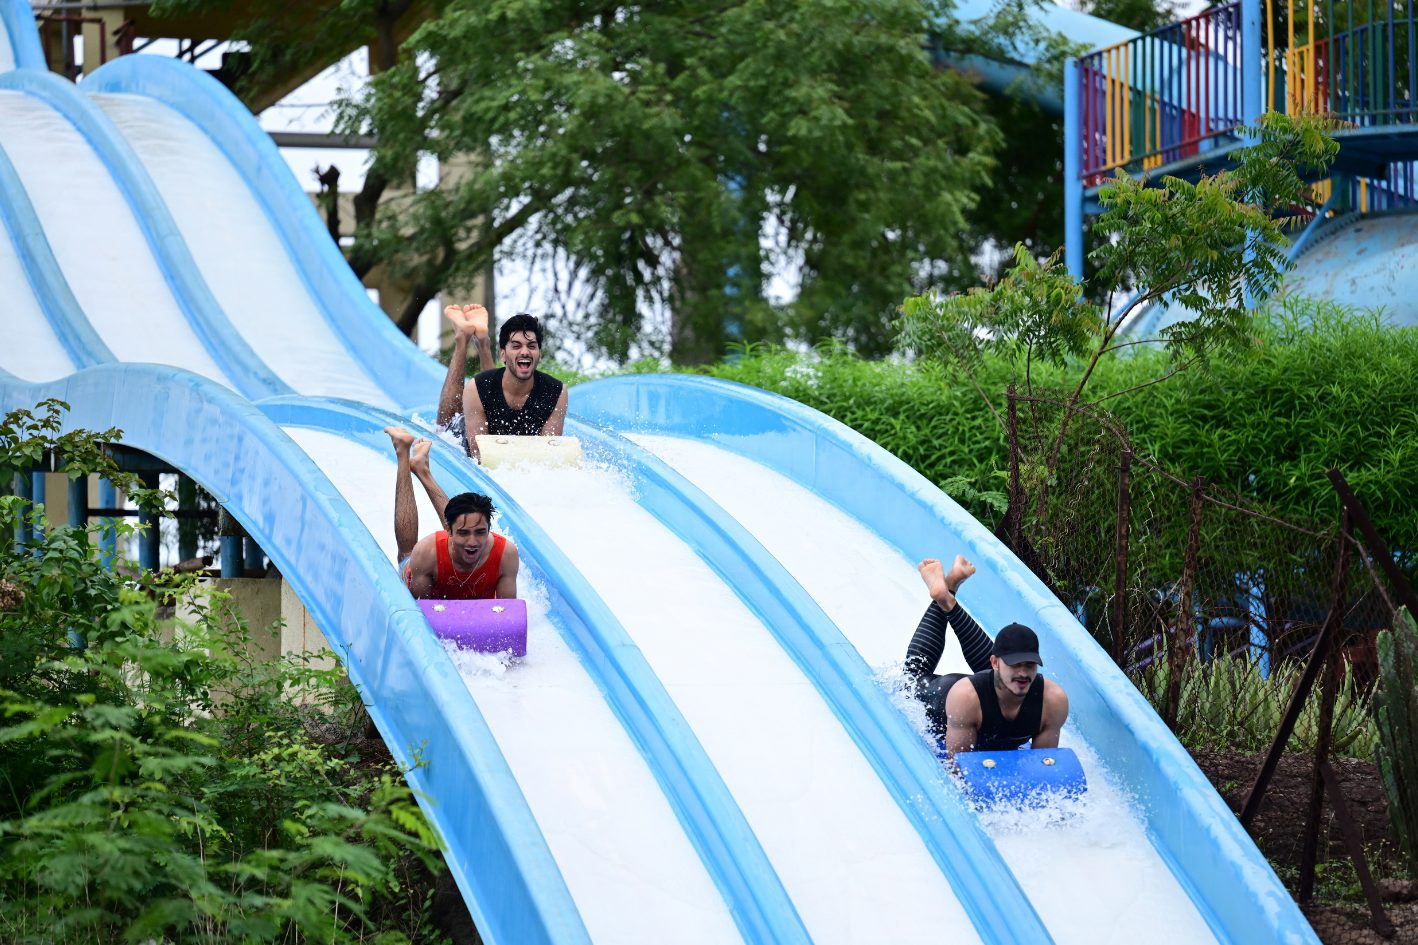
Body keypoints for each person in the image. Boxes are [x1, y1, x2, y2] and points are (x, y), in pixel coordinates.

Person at [904, 554, 1069, 755]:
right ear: (995, 662)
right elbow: (959, 770)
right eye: (1015, 664)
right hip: (946, 697)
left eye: (1030, 664)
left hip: (990, 691)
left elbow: (1042, 765)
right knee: (912, 679)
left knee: (1006, 680)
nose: (1024, 672)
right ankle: (944, 593)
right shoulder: (965, 698)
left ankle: (947, 594)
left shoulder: (1052, 701)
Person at [386, 426, 519, 599]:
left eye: (480, 532)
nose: (473, 542)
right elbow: (419, 613)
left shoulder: (506, 555)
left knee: (465, 519)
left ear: (489, 528)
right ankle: (403, 455)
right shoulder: (426, 553)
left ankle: (422, 469)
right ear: (447, 530)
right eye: (464, 533)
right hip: (426, 570)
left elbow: (507, 615)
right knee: (407, 553)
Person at [434, 304, 569, 464]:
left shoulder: (556, 392)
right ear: (503, 355)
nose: (525, 351)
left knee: (489, 385)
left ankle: (483, 341)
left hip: (504, 446)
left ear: (540, 354)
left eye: (532, 346)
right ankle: (462, 340)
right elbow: (480, 457)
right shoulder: (475, 387)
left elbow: (550, 455)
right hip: (462, 437)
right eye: (516, 346)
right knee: (442, 428)